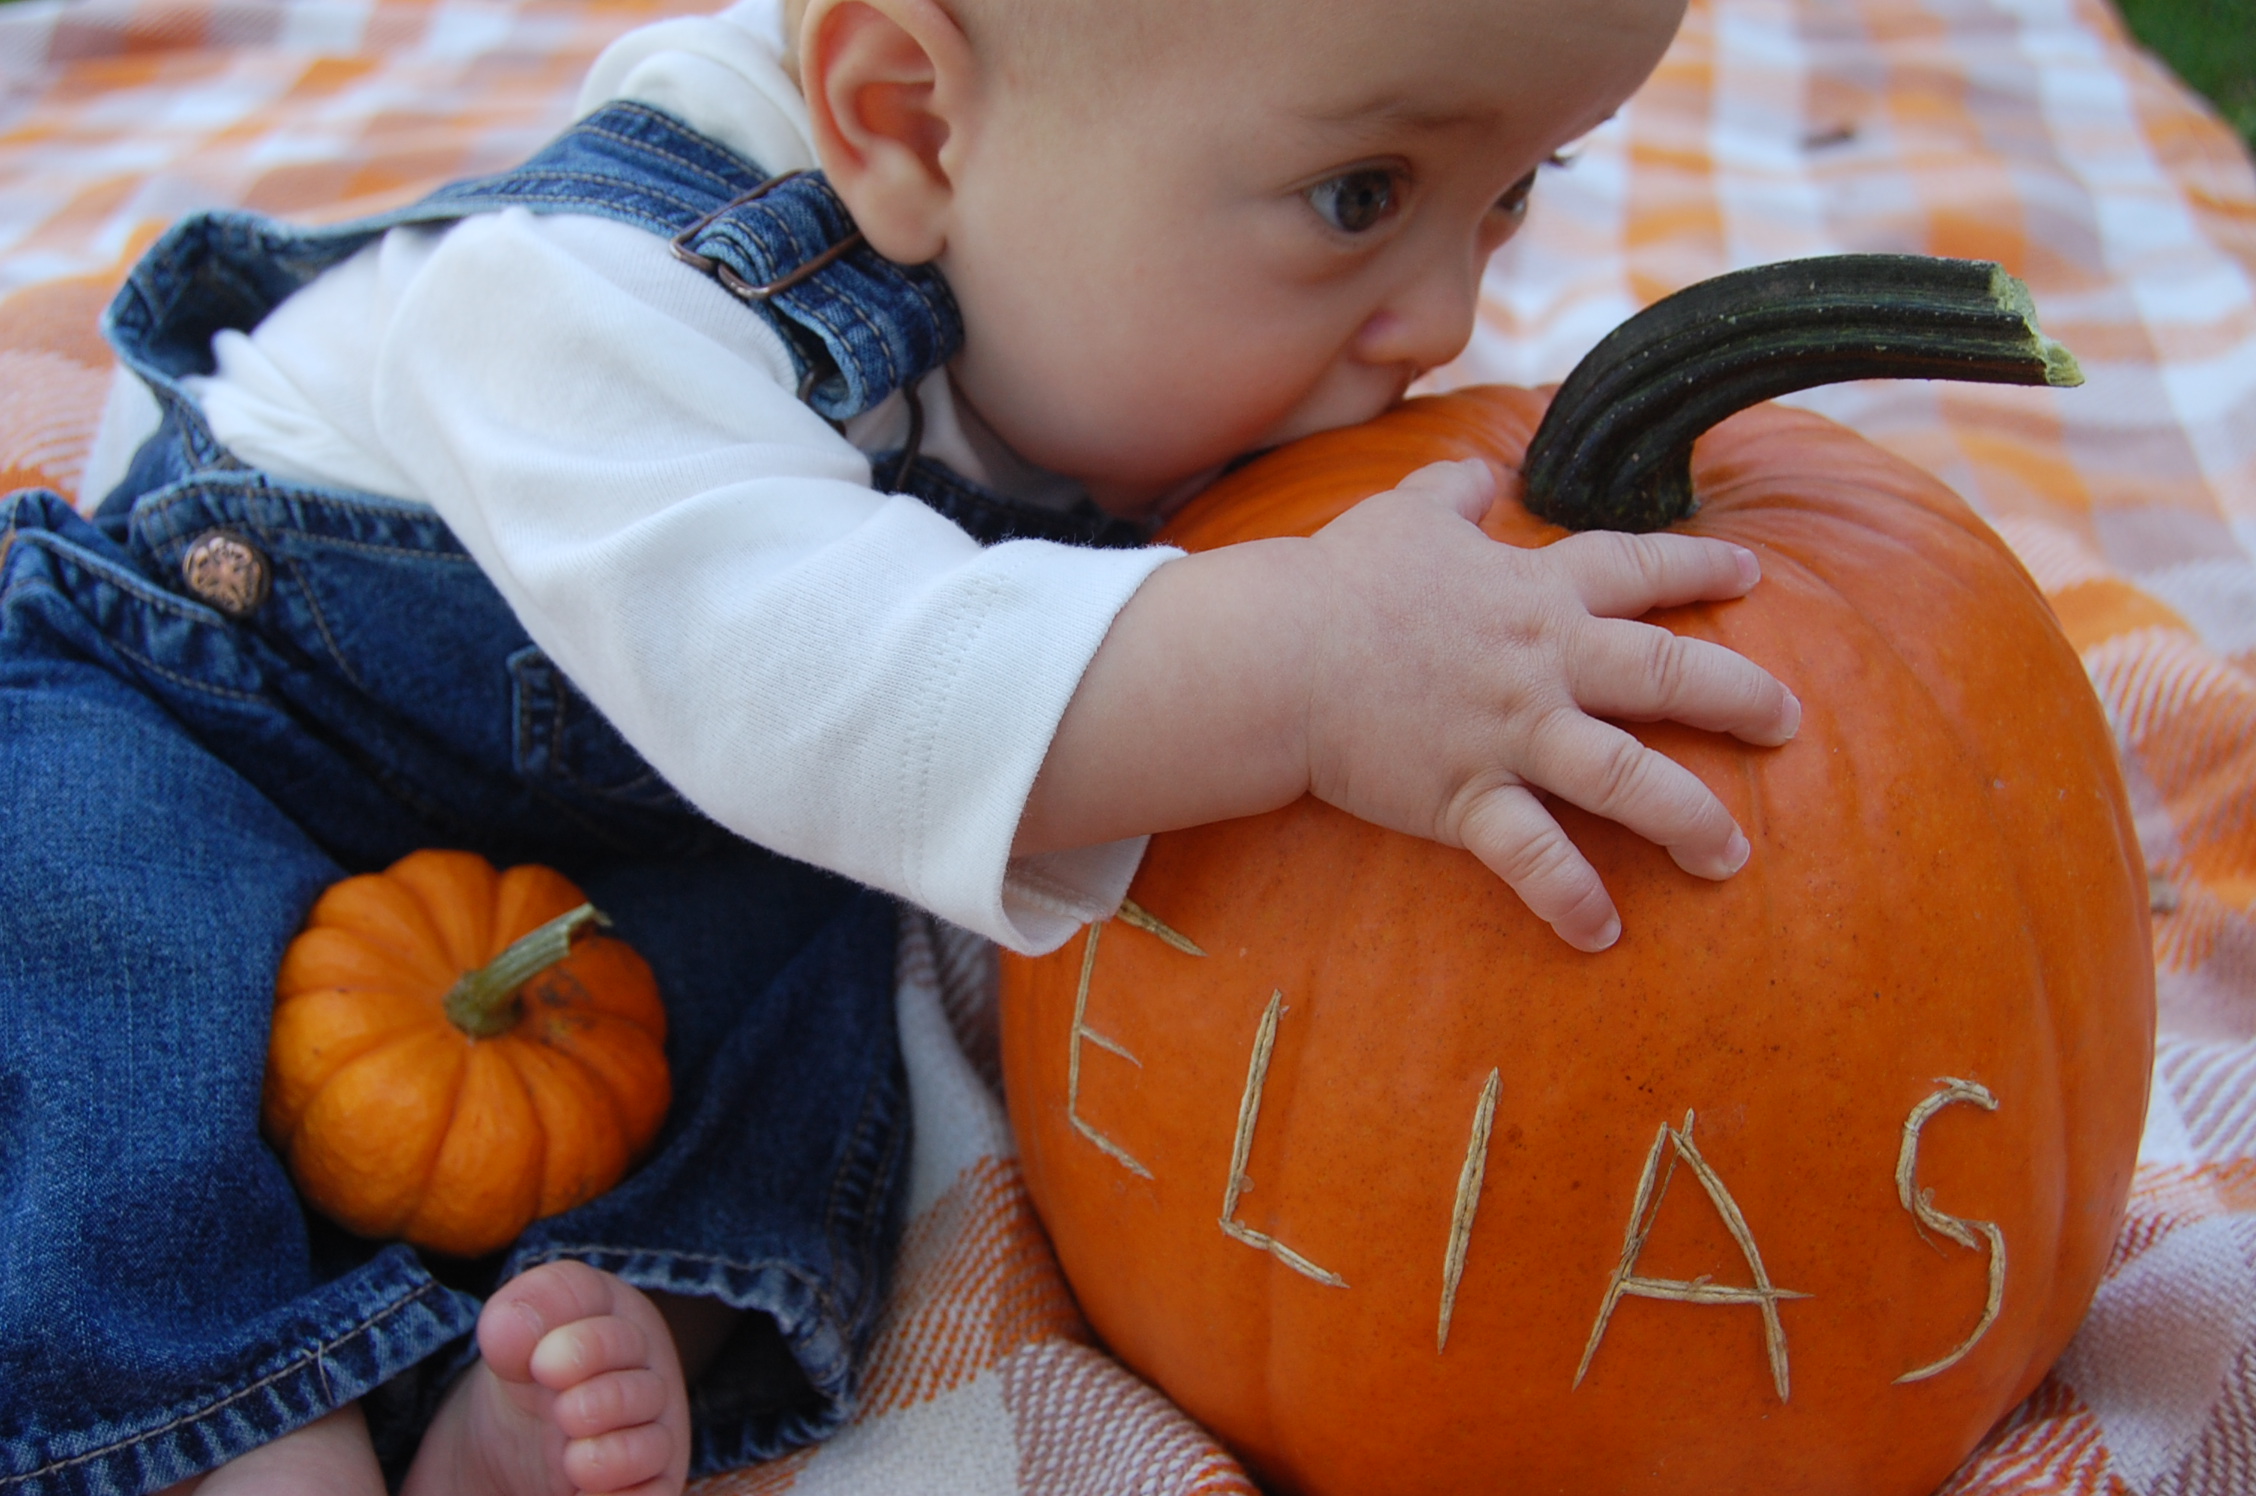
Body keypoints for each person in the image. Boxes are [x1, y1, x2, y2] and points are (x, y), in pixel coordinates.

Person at [0, 0, 1802, 1491]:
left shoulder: (1095, 261)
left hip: (639, 827)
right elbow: (815, 680)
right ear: (910, 121)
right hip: (226, 706)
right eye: (1360, 196)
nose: (1448, 321)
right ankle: (226, 1418)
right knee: (92, 926)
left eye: (1516, 191)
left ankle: (599, 1336)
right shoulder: (592, 298)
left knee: (820, 966)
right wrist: (1315, 668)